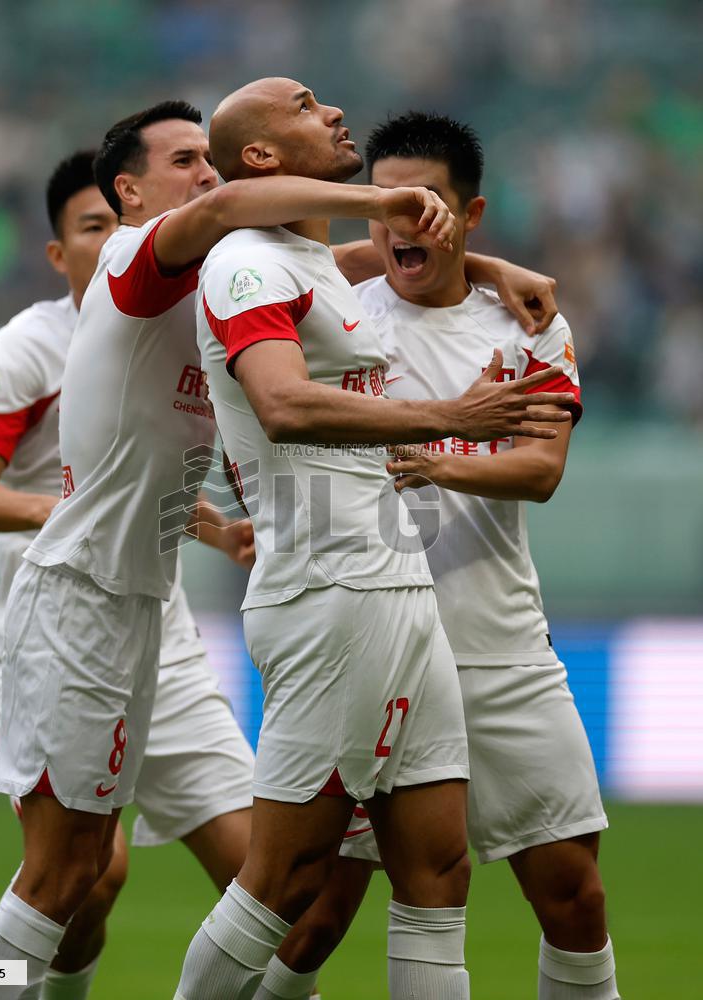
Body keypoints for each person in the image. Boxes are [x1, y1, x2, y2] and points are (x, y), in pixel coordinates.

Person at [0, 95, 502, 1000]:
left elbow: (327, 262)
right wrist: (383, 200)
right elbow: (240, 216)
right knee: (73, 874)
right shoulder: (136, 256)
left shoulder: (220, 273)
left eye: (208, 162)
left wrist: (491, 267)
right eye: (184, 160)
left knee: (152, 871)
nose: (205, 176)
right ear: (129, 193)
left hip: (152, 604)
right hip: (79, 593)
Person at [175, 77, 578, 1000]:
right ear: (262, 156)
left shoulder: (313, 260)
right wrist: (450, 417)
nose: (330, 110)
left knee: (437, 873)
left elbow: (396, 249)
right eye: (303, 104)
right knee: (285, 882)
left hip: (397, 587)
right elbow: (282, 405)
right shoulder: (246, 264)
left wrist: (492, 268)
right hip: (328, 591)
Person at [279, 112, 619, 1000]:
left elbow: (539, 471)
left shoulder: (529, 326)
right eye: (385, 204)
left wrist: (432, 460)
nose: (402, 223)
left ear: (470, 213)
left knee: (574, 897)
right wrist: (492, 266)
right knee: (312, 916)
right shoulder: (339, 318)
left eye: (425, 204)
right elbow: (274, 273)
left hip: (498, 644)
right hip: (374, 641)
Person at [0, 150, 257, 999]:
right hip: (59, 625)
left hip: (163, 631)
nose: (109, 239)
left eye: (116, 224)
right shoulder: (31, 344)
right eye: (89, 227)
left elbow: (143, 487)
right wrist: (67, 510)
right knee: (87, 875)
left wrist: (219, 531)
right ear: (57, 252)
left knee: (267, 879)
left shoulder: (183, 320)